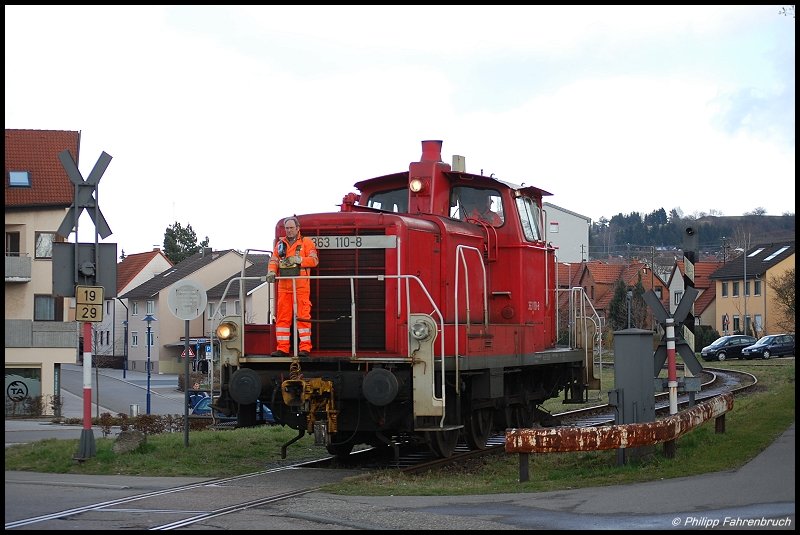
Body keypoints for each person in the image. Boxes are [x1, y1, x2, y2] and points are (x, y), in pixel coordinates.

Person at [266, 216, 319, 357]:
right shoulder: (280, 244)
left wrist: (299, 259)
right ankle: (282, 348)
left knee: (303, 317)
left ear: (297, 228)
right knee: (282, 319)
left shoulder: (307, 243)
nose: (289, 231)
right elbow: (274, 260)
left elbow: (314, 260)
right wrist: (271, 271)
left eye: (291, 228)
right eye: (287, 228)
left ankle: (305, 348)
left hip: (301, 287)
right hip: (284, 287)